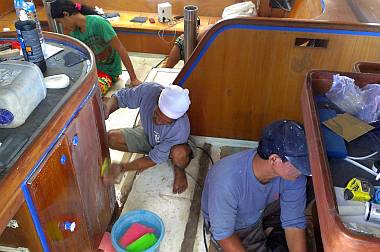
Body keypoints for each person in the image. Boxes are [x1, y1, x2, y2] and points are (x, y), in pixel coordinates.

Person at [201, 120, 311, 252]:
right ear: (274, 159)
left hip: (261, 207)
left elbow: (294, 222)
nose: (302, 171)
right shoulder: (226, 182)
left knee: (310, 190)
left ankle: (269, 228)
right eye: (299, 165)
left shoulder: (293, 176)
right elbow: (224, 235)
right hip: (238, 224)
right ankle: (267, 230)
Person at [102, 83, 194, 194]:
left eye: (167, 122)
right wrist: (107, 109)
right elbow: (120, 97)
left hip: (170, 148)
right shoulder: (149, 91)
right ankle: (151, 154)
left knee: (179, 153)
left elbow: (153, 159)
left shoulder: (180, 130)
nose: (159, 122)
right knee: (111, 138)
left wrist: (122, 168)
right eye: (157, 114)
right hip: (149, 136)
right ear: (157, 101)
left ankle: (180, 171)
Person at [50, 0, 141, 95]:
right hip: (92, 71)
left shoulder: (98, 23)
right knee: (70, 90)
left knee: (92, 94)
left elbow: (120, 49)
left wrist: (133, 78)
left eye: (60, 22)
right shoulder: (74, 34)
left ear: (66, 14)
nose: (63, 26)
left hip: (108, 73)